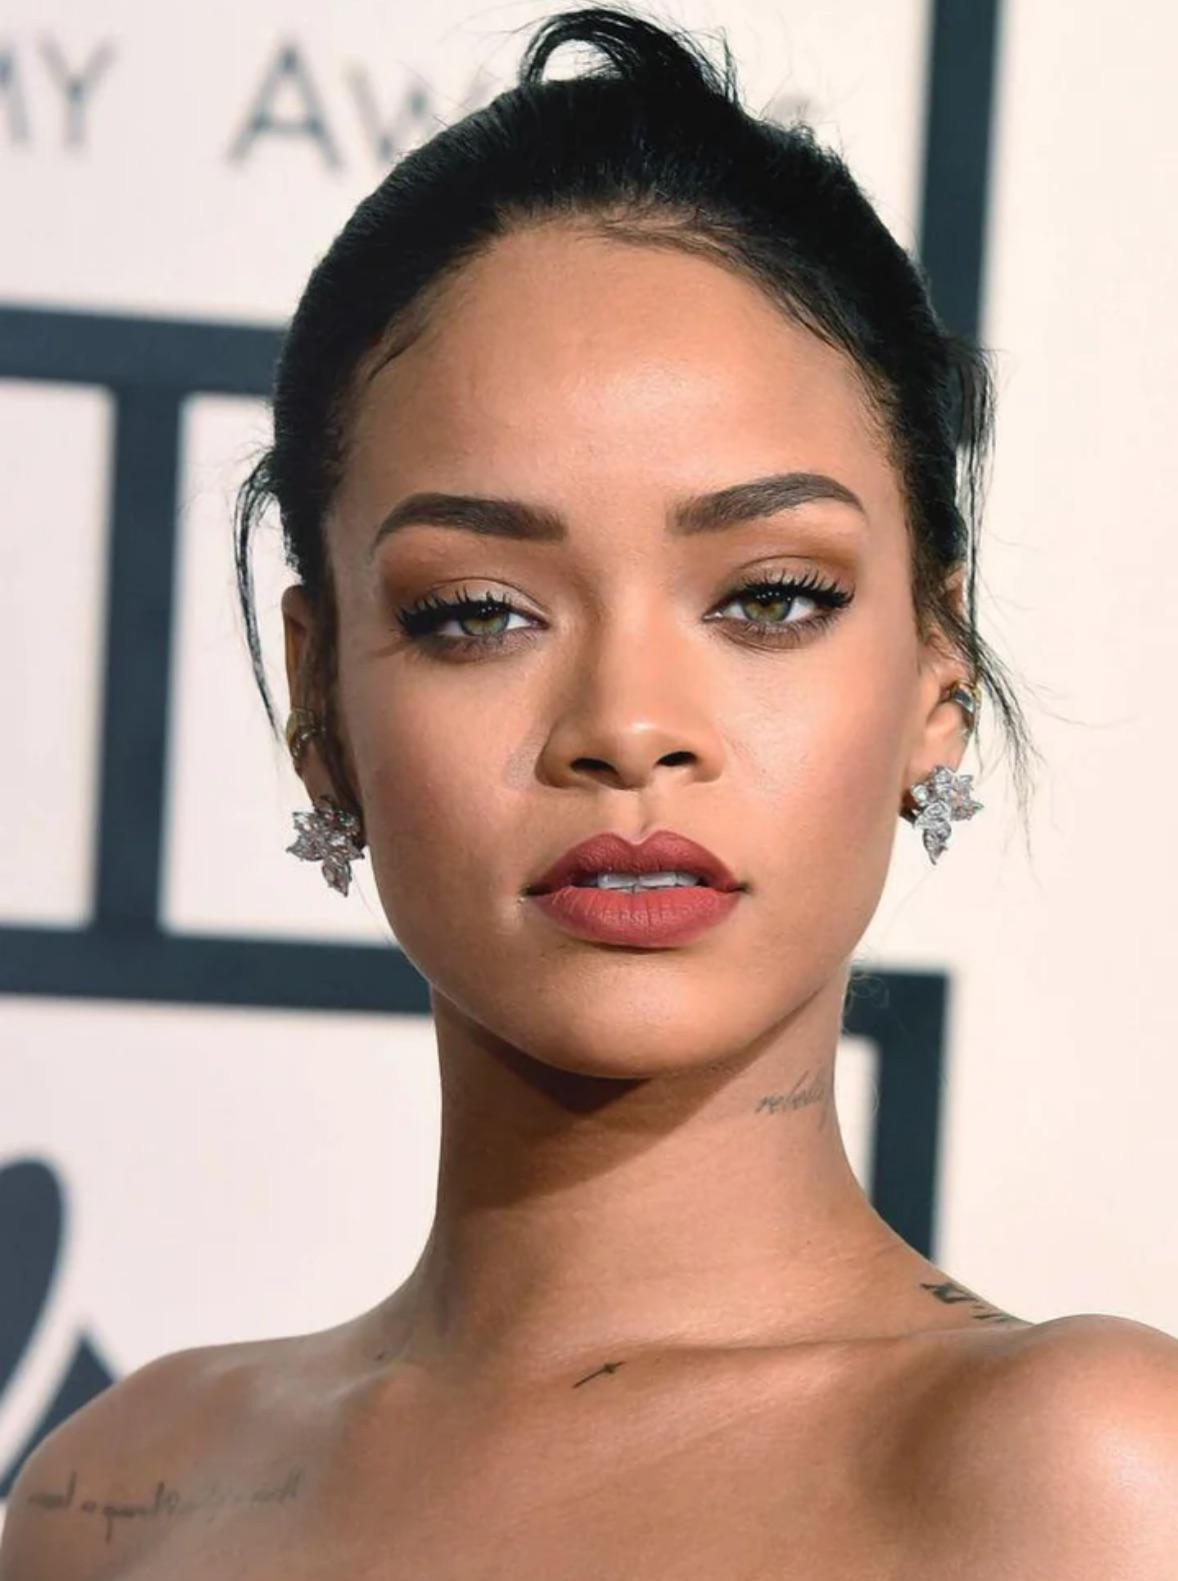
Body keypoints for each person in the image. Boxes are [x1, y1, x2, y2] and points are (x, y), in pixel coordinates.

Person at [3, 6, 1175, 1577]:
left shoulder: (1082, 1474)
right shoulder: (116, 1495)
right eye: (475, 611)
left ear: (935, 675)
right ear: (318, 697)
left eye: (768, 595)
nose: (627, 727)